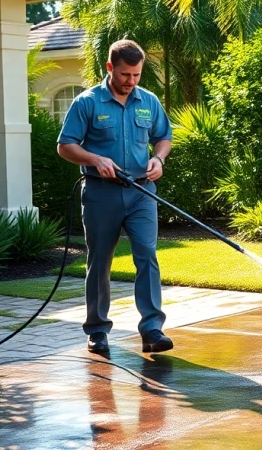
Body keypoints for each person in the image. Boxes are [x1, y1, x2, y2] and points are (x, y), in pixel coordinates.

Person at [57, 39, 174, 354]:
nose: (131, 81)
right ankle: (97, 330)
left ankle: (152, 330)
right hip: (101, 194)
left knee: (147, 256)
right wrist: (95, 159)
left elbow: (163, 137)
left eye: (136, 75)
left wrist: (158, 159)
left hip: (141, 192)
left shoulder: (148, 101)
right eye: (125, 74)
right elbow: (65, 145)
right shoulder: (87, 102)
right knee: (100, 261)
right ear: (110, 67)